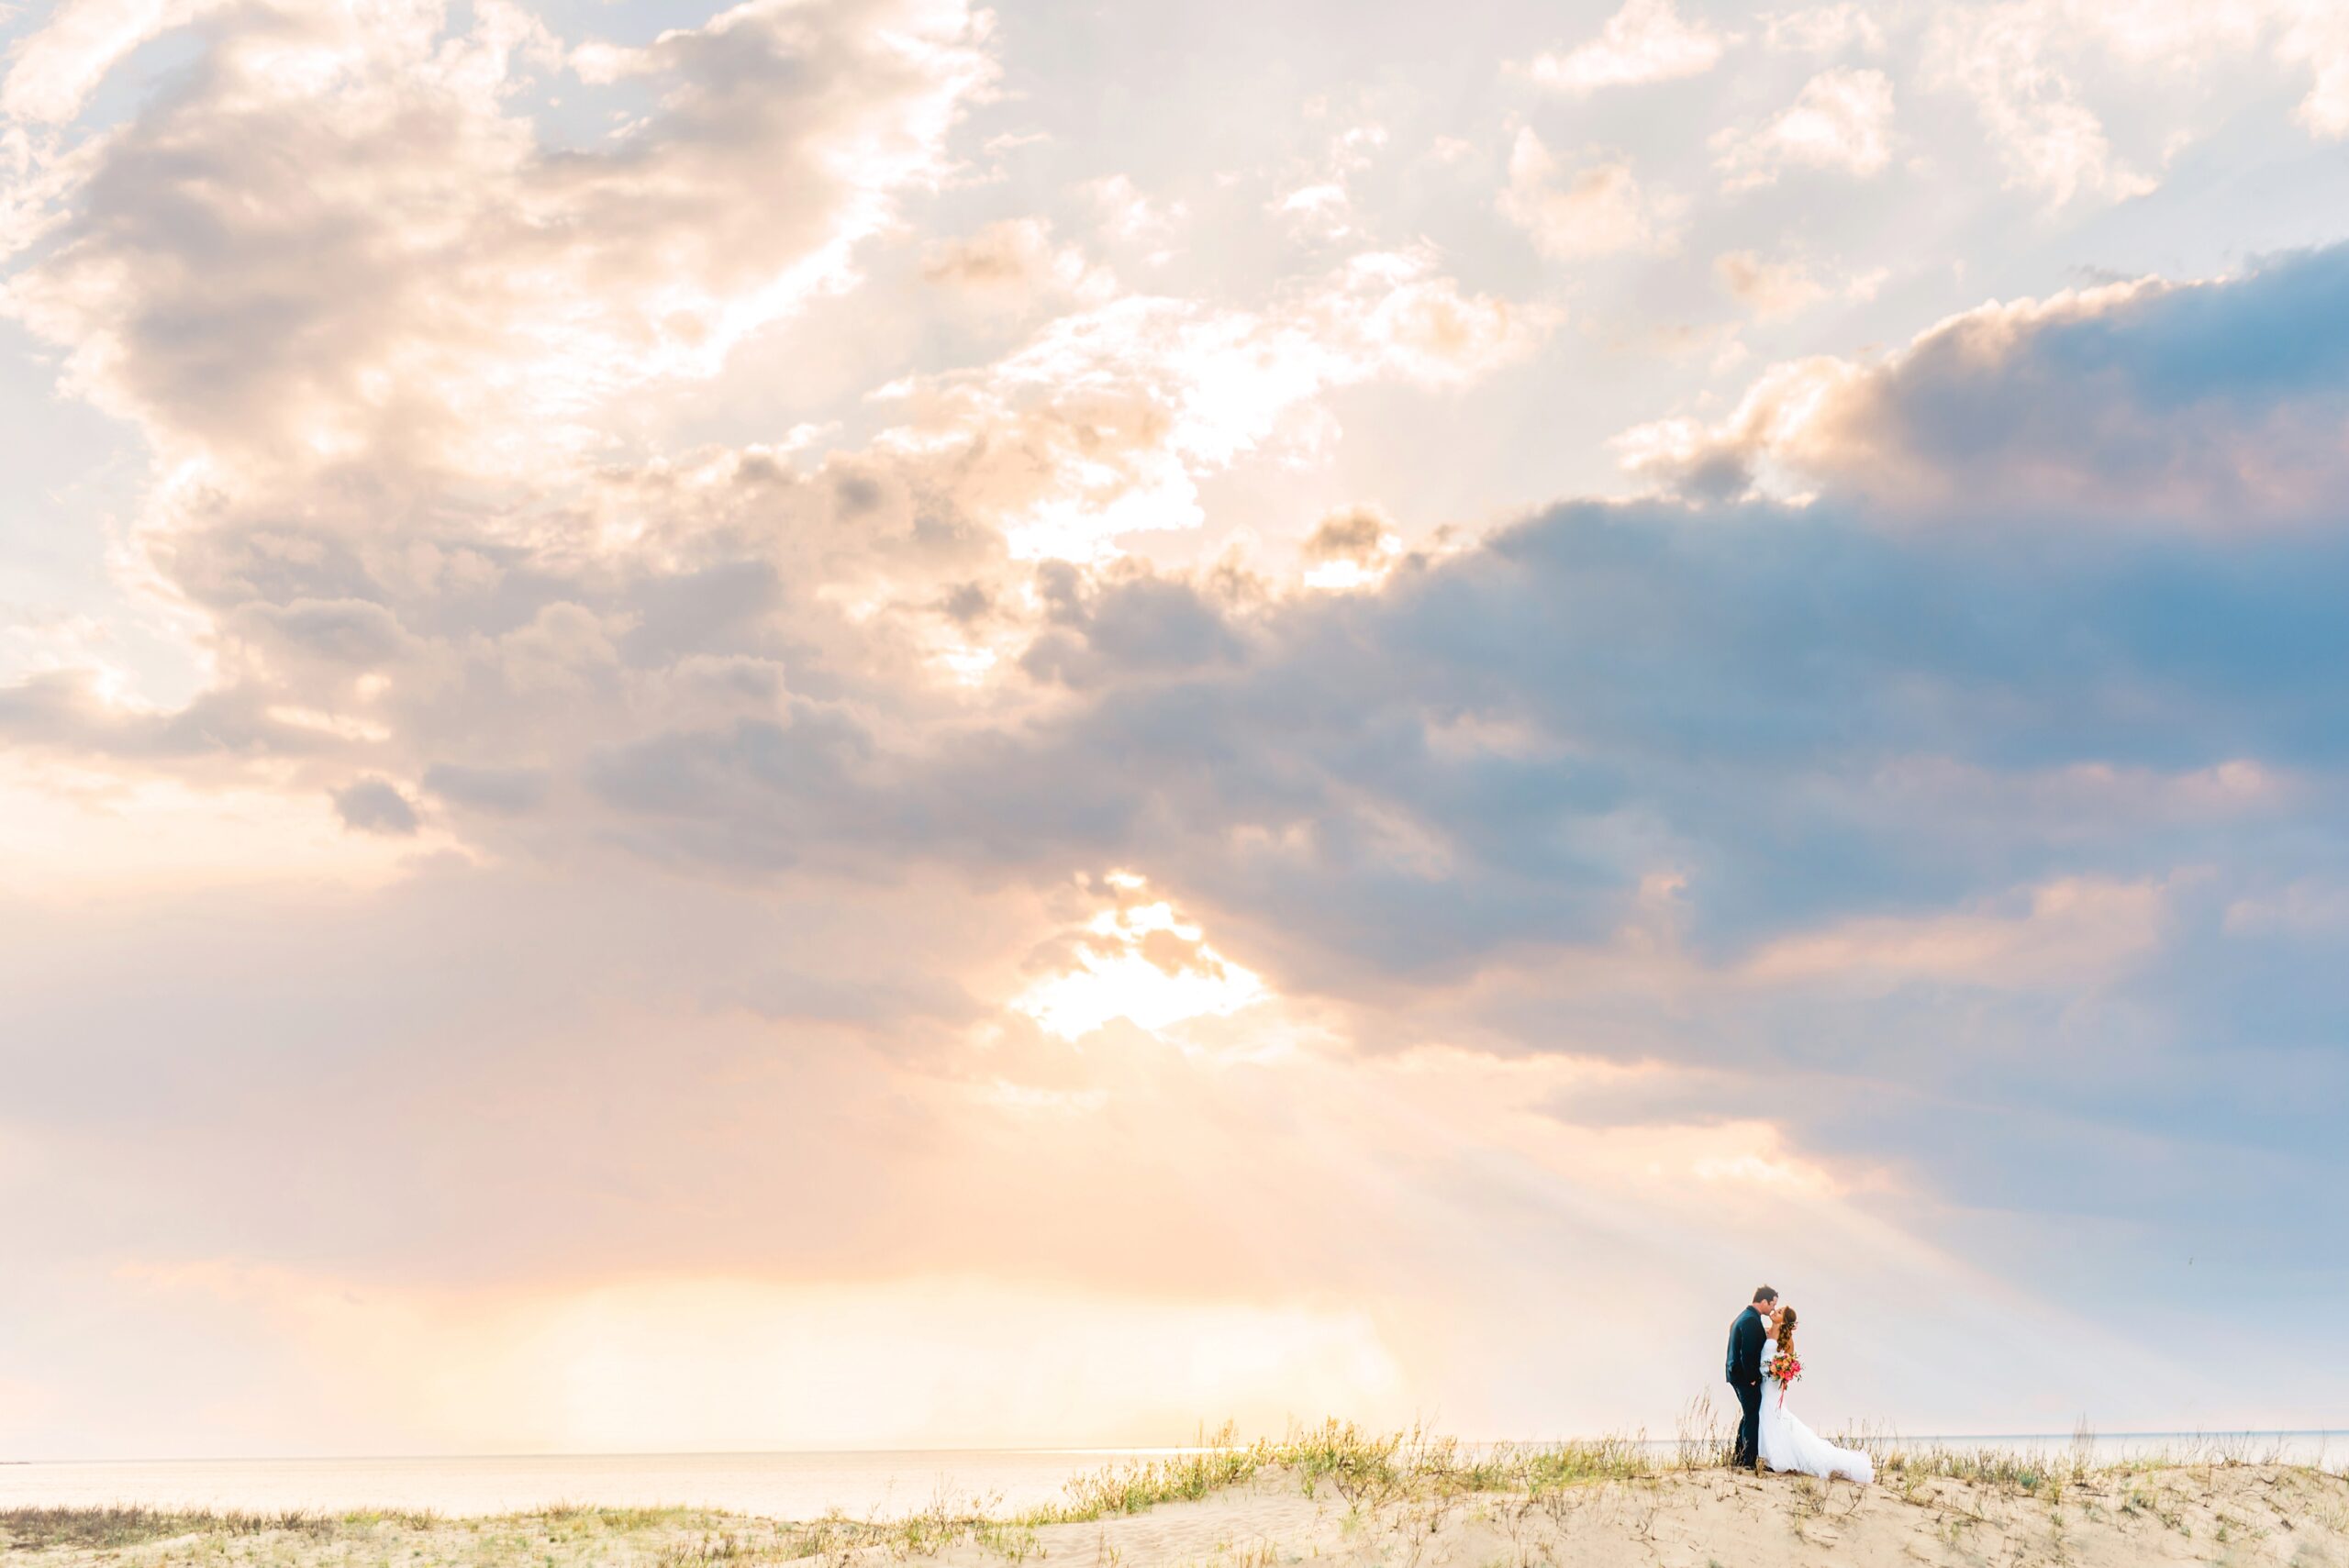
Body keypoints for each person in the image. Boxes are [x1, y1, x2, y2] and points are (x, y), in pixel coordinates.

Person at [1756, 1305, 1874, 1484]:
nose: (1775, 1311)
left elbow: (1790, 1364)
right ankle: (1767, 1455)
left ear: (1784, 1321)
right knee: (1768, 1414)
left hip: (1772, 1383)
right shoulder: (1765, 1331)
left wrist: (1780, 1371)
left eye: (1779, 1312)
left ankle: (1774, 1458)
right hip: (1763, 1380)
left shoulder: (1787, 1339)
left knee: (1770, 1412)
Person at [1723, 1284, 1775, 1469]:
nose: (1773, 1309)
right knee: (1752, 1415)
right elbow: (1747, 1352)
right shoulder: (1751, 1320)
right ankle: (1749, 1461)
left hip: (1735, 1373)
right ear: (1764, 1301)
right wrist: (1752, 1377)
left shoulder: (1745, 1317)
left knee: (1748, 1414)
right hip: (1744, 1376)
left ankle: (1739, 1456)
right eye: (1772, 1304)